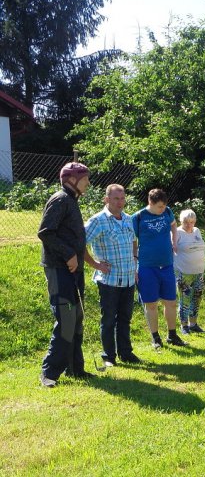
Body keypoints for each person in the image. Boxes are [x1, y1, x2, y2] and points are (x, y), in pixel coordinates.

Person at [38, 162, 94, 387]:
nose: (88, 182)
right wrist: (69, 254)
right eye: (85, 178)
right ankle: (49, 373)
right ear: (72, 180)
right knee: (67, 319)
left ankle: (75, 369)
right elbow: (45, 232)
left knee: (76, 318)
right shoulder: (60, 199)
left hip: (73, 270)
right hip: (59, 269)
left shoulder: (72, 200)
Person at [84, 184, 141, 366]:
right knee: (108, 320)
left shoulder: (128, 219)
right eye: (116, 199)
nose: (120, 202)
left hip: (128, 278)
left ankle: (126, 353)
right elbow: (79, 242)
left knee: (125, 319)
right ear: (106, 199)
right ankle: (109, 357)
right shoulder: (98, 220)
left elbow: (134, 241)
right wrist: (95, 264)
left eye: (122, 198)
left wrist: (134, 260)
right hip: (109, 280)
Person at [132, 189, 186, 348]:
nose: (162, 209)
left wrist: (174, 241)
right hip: (147, 266)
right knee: (151, 304)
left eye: (164, 206)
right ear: (150, 202)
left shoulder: (167, 212)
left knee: (171, 302)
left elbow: (173, 225)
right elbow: (132, 241)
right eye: (159, 207)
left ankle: (172, 335)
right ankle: (155, 338)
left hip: (167, 265)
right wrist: (134, 265)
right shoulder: (138, 217)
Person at [174, 209, 205, 335]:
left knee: (197, 297)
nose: (189, 225)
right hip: (184, 272)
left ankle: (193, 324)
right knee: (185, 299)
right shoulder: (177, 232)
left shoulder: (197, 231)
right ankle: (184, 325)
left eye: (192, 222)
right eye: (186, 222)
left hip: (199, 272)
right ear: (181, 221)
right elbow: (171, 249)